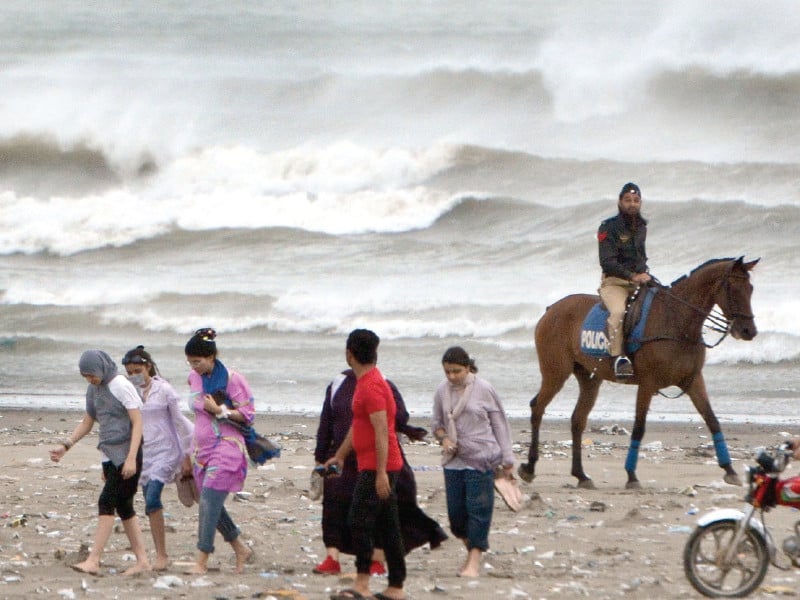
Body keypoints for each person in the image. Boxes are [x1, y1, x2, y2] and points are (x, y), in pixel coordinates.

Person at [313, 368, 447, 576]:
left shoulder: (370, 383)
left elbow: (395, 418)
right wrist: (321, 456)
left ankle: (363, 559)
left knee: (363, 507)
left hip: (370, 455)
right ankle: (341, 558)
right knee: (344, 505)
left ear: (350, 356)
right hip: (348, 455)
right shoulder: (355, 383)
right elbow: (329, 421)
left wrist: (321, 455)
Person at [49, 350, 151, 575]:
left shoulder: (121, 385)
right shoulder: (93, 390)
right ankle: (143, 561)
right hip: (108, 455)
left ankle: (94, 560)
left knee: (106, 502)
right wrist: (65, 446)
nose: (90, 379)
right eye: (86, 376)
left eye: (92, 375)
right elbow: (88, 421)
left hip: (127, 456)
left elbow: (138, 422)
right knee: (124, 507)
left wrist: (132, 458)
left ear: (102, 368)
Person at [325, 329, 407, 600]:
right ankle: (396, 586)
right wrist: (340, 454)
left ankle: (362, 583)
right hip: (372, 464)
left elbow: (383, 431)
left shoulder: (371, 386)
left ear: (349, 354)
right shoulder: (368, 380)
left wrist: (381, 472)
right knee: (388, 525)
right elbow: (359, 426)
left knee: (358, 521)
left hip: (378, 467)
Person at [431, 346, 515, 578]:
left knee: (478, 510)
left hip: (482, 457)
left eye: (457, 371)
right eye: (447, 372)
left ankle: (473, 561)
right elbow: (436, 423)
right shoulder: (442, 390)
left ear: (468, 367)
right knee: (456, 518)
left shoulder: (484, 389)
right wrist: (444, 438)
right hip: (453, 459)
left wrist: (507, 459)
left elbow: (500, 424)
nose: (452, 376)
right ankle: (474, 549)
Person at [183, 328, 254, 575]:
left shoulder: (233, 379)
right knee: (208, 503)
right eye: (190, 362)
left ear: (212, 356)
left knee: (210, 501)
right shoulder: (194, 378)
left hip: (227, 446)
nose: (194, 366)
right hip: (201, 450)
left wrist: (220, 410)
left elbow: (248, 415)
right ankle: (240, 547)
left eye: (198, 361)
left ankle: (201, 559)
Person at [121, 345, 194, 571]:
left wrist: (186, 455)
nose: (133, 376)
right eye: (129, 372)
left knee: (153, 497)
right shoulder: (128, 393)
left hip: (167, 451)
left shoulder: (164, 390)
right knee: (150, 503)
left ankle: (162, 555)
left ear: (147, 366)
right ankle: (160, 553)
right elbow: (127, 427)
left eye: (137, 370)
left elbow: (180, 422)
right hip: (144, 453)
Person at [597, 181, 652, 378]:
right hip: (614, 282)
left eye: (636, 200)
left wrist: (644, 274)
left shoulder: (642, 227)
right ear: (620, 202)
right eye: (628, 200)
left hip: (638, 281)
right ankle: (618, 357)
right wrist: (632, 276)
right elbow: (607, 262)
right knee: (619, 311)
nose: (632, 204)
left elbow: (640, 256)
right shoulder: (608, 227)